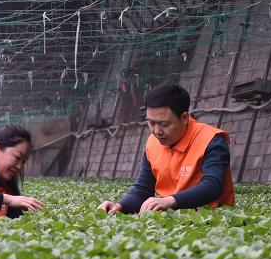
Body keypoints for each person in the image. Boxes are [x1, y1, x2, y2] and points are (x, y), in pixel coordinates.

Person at [97, 83, 235, 214]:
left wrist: (170, 201)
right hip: (171, 220)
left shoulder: (211, 140)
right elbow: (142, 191)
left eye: (164, 124)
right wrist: (119, 206)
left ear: (184, 118)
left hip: (213, 222)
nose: (157, 131)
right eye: (151, 123)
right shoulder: (153, 144)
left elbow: (212, 186)